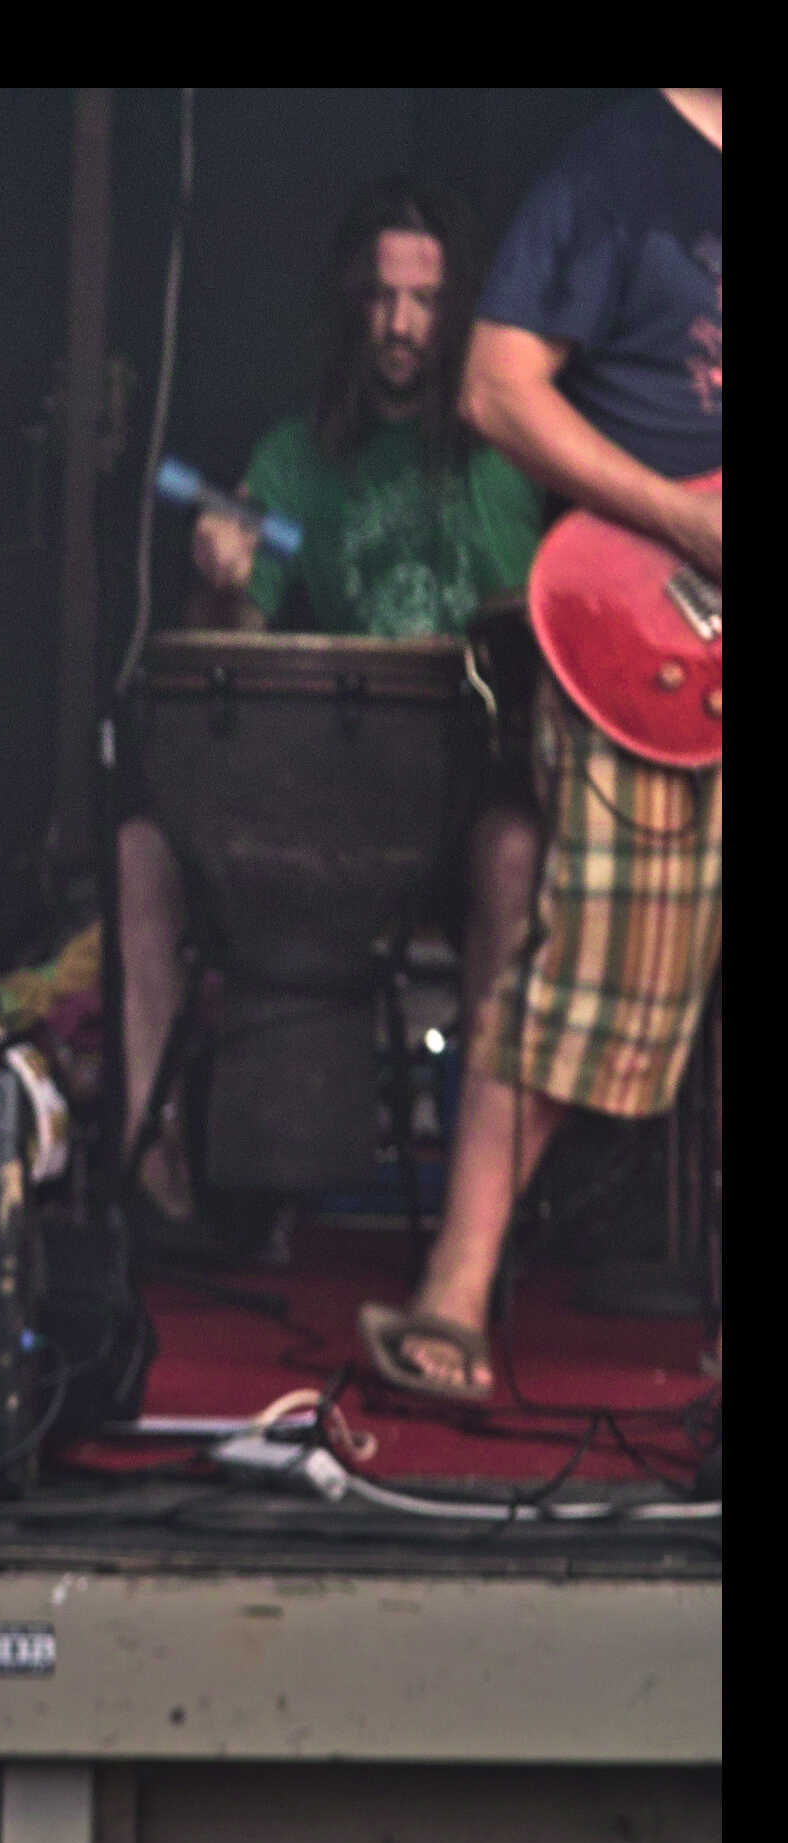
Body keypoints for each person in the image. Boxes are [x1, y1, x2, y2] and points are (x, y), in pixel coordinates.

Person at [364, 89, 721, 1400]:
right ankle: (455, 1292)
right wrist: (683, 522)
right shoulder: (618, 170)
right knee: (589, 977)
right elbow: (496, 389)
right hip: (652, 631)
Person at [118, 177, 546, 1232]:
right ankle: (154, 1185)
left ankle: (483, 1215)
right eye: (381, 298)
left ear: (457, 309)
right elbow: (231, 665)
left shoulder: (504, 455)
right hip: (322, 804)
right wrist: (223, 581)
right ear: (350, 304)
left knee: (512, 854)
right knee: (140, 851)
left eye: (425, 300)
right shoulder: (293, 458)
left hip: (458, 798)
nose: (401, 325)